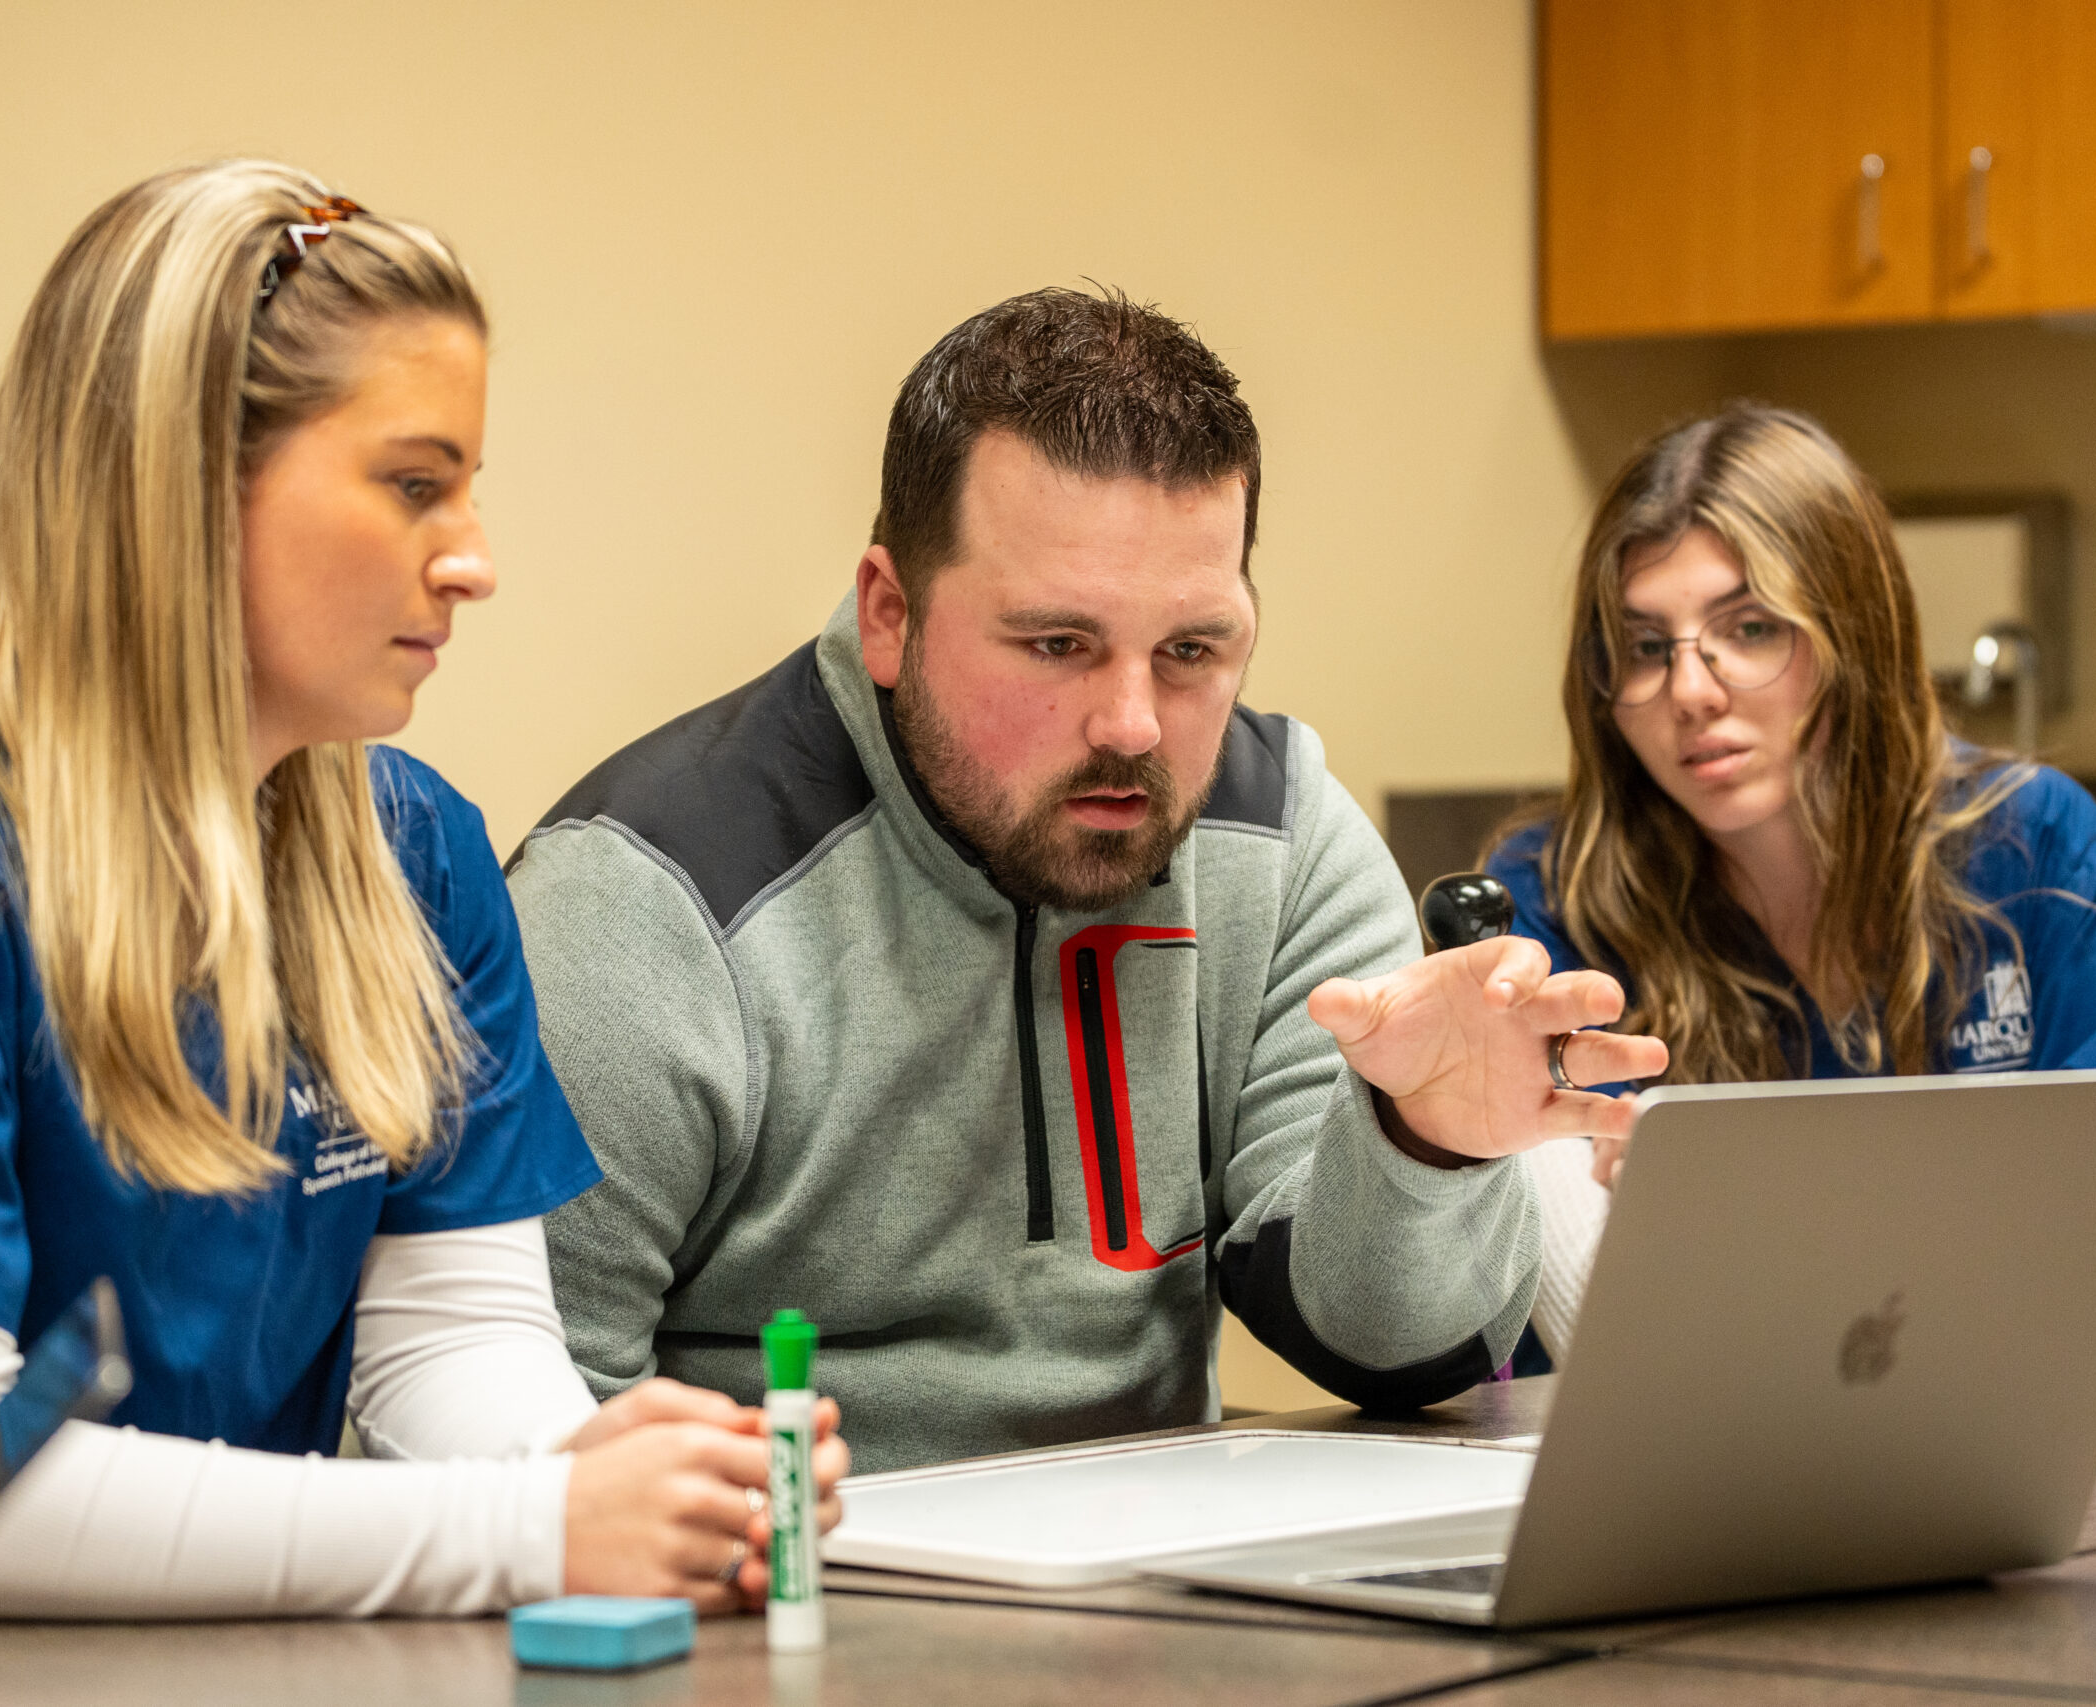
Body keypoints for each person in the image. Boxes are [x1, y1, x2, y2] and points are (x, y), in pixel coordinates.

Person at [0, 161, 841, 1665]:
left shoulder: (414, 855)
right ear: (179, 485)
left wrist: (634, 1490)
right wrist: (531, 1528)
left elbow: (452, 1339)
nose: (474, 559)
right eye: (416, 483)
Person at [508, 287, 1668, 1473]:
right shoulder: (646, 901)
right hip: (786, 1591)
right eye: (1057, 645)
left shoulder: (1279, 831)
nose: (1131, 726)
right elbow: (524, 1444)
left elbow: (1387, 1354)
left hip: (1159, 1596)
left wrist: (1425, 1149)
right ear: (890, 614)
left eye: (1190, 652)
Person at [1484, 403, 2096, 1366]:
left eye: (1749, 628)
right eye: (1644, 645)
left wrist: (1746, 1204)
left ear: (1854, 634)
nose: (1691, 689)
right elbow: (1610, 1325)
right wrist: (2060, 1219)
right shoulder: (1547, 906)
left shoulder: (2034, 844)